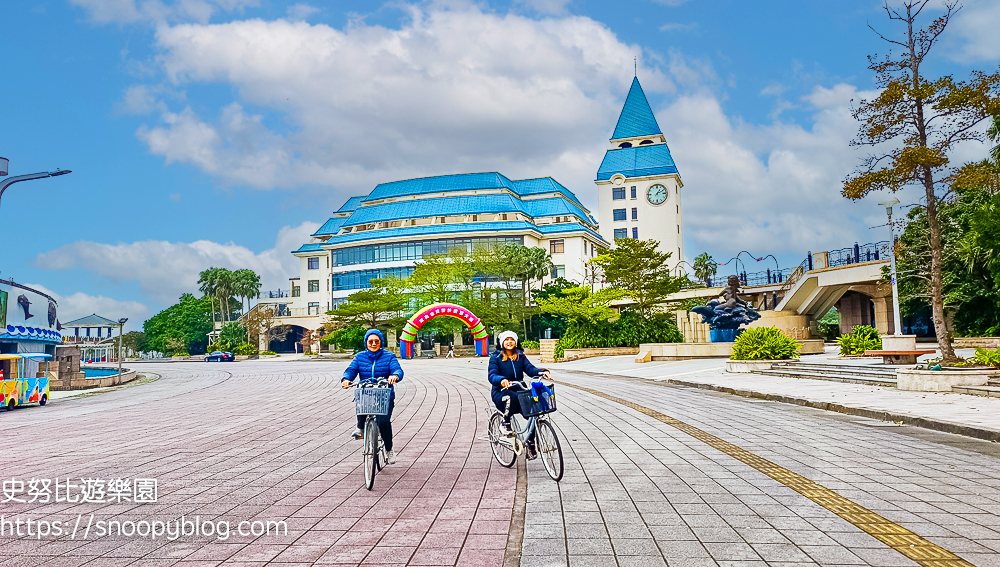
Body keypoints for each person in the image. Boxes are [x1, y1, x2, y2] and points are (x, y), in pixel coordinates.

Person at [342, 329, 403, 464]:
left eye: (376, 341)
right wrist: (346, 379)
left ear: (381, 342)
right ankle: (360, 427)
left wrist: (395, 376)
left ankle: (389, 449)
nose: (373, 344)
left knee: (384, 422)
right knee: (362, 400)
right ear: (366, 343)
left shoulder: (389, 356)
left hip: (384, 394)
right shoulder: (360, 357)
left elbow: (397, 369)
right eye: (371, 341)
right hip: (368, 393)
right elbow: (351, 370)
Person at [487, 330, 550, 459]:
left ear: (516, 342)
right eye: (506, 340)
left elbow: (530, 369)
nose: (509, 342)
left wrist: (542, 372)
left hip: (519, 390)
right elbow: (492, 375)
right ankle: (505, 422)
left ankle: (530, 443)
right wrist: (502, 380)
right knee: (511, 396)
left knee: (535, 414)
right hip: (501, 392)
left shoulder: (520, 356)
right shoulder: (495, 358)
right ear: (502, 342)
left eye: (512, 339)